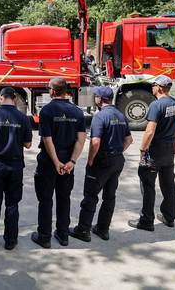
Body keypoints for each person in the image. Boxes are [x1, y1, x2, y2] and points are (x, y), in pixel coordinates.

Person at [69, 86, 133, 242]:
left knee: (90, 195)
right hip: (117, 160)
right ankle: (103, 229)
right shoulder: (120, 115)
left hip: (102, 161)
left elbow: (95, 142)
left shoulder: (100, 116)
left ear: (99, 99)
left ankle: (83, 230)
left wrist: (91, 159)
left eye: (96, 96)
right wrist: (117, 152)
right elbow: (129, 140)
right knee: (109, 197)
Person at [32, 77, 86, 248]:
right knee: (64, 198)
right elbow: (81, 140)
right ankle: (63, 236)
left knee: (45, 199)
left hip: (49, 160)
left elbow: (47, 140)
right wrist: (72, 161)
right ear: (66, 91)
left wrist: (56, 162)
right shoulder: (77, 111)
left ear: (53, 91)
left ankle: (44, 237)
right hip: (67, 158)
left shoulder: (47, 111)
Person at [129, 75, 175, 231]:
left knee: (147, 183)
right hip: (169, 149)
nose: (152, 87)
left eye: (153, 85)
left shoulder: (156, 105)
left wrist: (143, 149)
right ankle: (169, 217)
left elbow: (150, 131)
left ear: (159, 87)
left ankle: (146, 221)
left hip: (156, 150)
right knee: (168, 184)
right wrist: (173, 142)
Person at [0, 87, 32, 250]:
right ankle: (10, 240)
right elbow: (28, 144)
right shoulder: (23, 117)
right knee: (12, 204)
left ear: (1, 98)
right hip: (15, 165)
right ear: (15, 99)